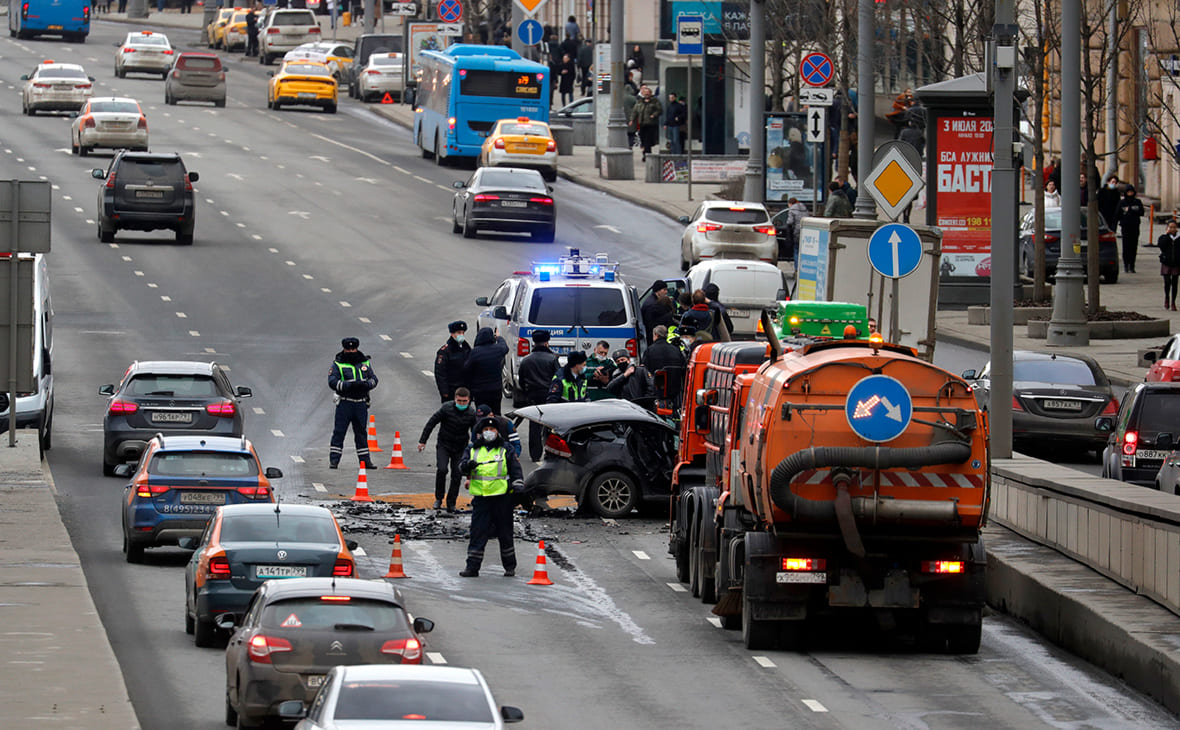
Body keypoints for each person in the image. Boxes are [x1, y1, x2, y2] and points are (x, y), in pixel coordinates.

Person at [458, 417, 524, 578]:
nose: (489, 432)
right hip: (481, 499)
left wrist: (518, 488)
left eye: (492, 430)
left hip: (502, 498)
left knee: (505, 533)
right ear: (481, 432)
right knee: (477, 533)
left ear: (497, 432)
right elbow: (461, 466)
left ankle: (510, 567)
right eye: (486, 430)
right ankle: (472, 567)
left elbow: (515, 469)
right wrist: (467, 466)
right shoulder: (473, 449)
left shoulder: (506, 448)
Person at [417, 388, 477, 512]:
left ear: (469, 401)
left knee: (457, 474)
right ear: (455, 399)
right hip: (444, 444)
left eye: (464, 401)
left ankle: (451, 502)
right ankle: (439, 498)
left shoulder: (471, 413)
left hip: (460, 447)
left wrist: (476, 449)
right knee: (442, 469)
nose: (461, 404)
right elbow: (431, 423)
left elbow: (475, 432)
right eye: (459, 401)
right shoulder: (446, 409)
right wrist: (423, 441)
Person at [328, 337, 378, 469]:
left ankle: (365, 461)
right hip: (345, 403)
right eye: (348, 349)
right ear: (344, 349)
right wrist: (349, 386)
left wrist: (365, 385)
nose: (351, 351)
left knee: (361, 433)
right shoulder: (338, 363)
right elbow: (332, 381)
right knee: (339, 432)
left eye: (353, 349)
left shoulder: (364, 362)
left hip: (360, 404)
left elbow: (374, 379)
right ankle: (334, 460)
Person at [517, 330, 559, 460]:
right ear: (547, 342)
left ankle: (535, 454)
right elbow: (558, 379)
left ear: (534, 343)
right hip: (549, 396)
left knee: (534, 425)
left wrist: (527, 393)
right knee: (550, 425)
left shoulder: (526, 360)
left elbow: (521, 381)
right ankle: (551, 452)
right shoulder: (552, 359)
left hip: (532, 396)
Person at [464, 327, 509, 415]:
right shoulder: (498, 349)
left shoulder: (475, 352)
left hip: (480, 390)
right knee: (496, 413)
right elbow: (505, 347)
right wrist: (498, 337)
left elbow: (466, 369)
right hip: (496, 389)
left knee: (482, 413)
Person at [642, 324, 687, 407]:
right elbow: (683, 368)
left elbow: (645, 370)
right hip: (676, 390)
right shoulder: (676, 350)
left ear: (656, 335)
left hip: (658, 390)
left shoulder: (650, 350)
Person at [434, 320, 471, 403]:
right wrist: (444, 391)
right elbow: (440, 372)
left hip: (464, 389)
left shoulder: (466, 348)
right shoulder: (445, 351)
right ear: (452, 334)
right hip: (451, 389)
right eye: (458, 333)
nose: (461, 335)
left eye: (463, 333)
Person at [630, 86, 663, 161]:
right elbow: (635, 111)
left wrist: (654, 115)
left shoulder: (655, 101)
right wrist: (632, 120)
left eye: (648, 93)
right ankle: (646, 153)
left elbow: (659, 110)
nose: (646, 95)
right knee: (643, 139)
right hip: (642, 124)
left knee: (648, 140)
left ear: (650, 93)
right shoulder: (640, 102)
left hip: (651, 124)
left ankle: (647, 154)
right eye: (645, 93)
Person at [1118, 185, 1145, 273]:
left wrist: (1131, 210)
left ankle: (1132, 265)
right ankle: (1126, 265)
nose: (1130, 193)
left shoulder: (1137, 201)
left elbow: (1141, 212)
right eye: (1128, 192)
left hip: (1135, 226)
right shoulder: (1122, 202)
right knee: (1126, 246)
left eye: (1131, 192)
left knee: (1133, 247)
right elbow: (1117, 214)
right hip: (1125, 227)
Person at [1159, 220, 1180, 311]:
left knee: (1175, 283)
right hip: (1166, 262)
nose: (1172, 229)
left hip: (1176, 263)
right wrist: (1167, 236)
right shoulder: (1163, 237)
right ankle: (1167, 297)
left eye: (1174, 227)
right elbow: (1161, 246)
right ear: (1167, 228)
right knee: (1167, 282)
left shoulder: (1179, 238)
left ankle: (1173, 302)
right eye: (1170, 227)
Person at [622, 80, 639, 148]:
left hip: (622, 118)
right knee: (631, 134)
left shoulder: (620, 98)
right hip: (631, 119)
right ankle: (630, 146)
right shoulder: (633, 98)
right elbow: (637, 108)